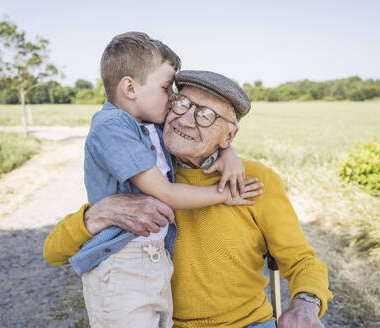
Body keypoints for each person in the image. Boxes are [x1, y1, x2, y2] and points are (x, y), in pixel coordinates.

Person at [44, 70, 333, 328]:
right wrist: (99, 214)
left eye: (206, 115)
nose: (185, 119)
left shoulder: (257, 181)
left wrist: (305, 305)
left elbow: (302, 261)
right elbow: (54, 252)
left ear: (229, 136)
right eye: (181, 103)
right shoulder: (146, 176)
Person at [53, 32, 262, 328]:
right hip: (122, 264)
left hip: (155, 258)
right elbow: (163, 192)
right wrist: (223, 195)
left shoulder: (148, 120)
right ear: (129, 87)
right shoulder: (111, 126)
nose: (173, 100)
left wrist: (229, 152)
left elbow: (205, 128)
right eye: (167, 88)